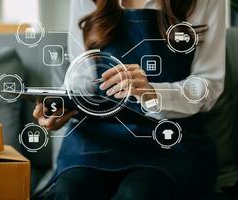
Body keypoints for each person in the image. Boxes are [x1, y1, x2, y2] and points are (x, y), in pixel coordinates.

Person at [33, 0, 226, 199]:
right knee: (71, 192)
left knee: (138, 193)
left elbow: (209, 84)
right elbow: (82, 78)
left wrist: (153, 93)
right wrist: (62, 105)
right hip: (97, 138)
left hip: (170, 140)